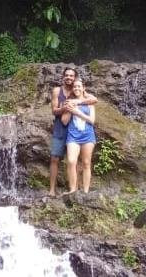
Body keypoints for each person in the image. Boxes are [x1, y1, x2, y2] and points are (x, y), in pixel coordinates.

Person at [49, 66, 97, 196]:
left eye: (71, 76)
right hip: (63, 129)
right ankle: (54, 190)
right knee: (59, 158)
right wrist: (67, 107)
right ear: (63, 77)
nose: (69, 78)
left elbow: (94, 101)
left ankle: (79, 190)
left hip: (82, 132)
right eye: (67, 75)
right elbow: (55, 112)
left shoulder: (84, 94)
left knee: (83, 161)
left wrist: (77, 104)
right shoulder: (58, 91)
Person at [61, 79, 96, 194]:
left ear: (83, 88)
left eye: (79, 86)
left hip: (87, 135)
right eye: (74, 87)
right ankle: (73, 189)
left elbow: (92, 120)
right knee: (71, 161)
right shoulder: (69, 102)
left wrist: (77, 112)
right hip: (73, 136)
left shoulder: (89, 102)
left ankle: (85, 191)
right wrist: (69, 110)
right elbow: (64, 122)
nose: (76, 88)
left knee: (86, 163)